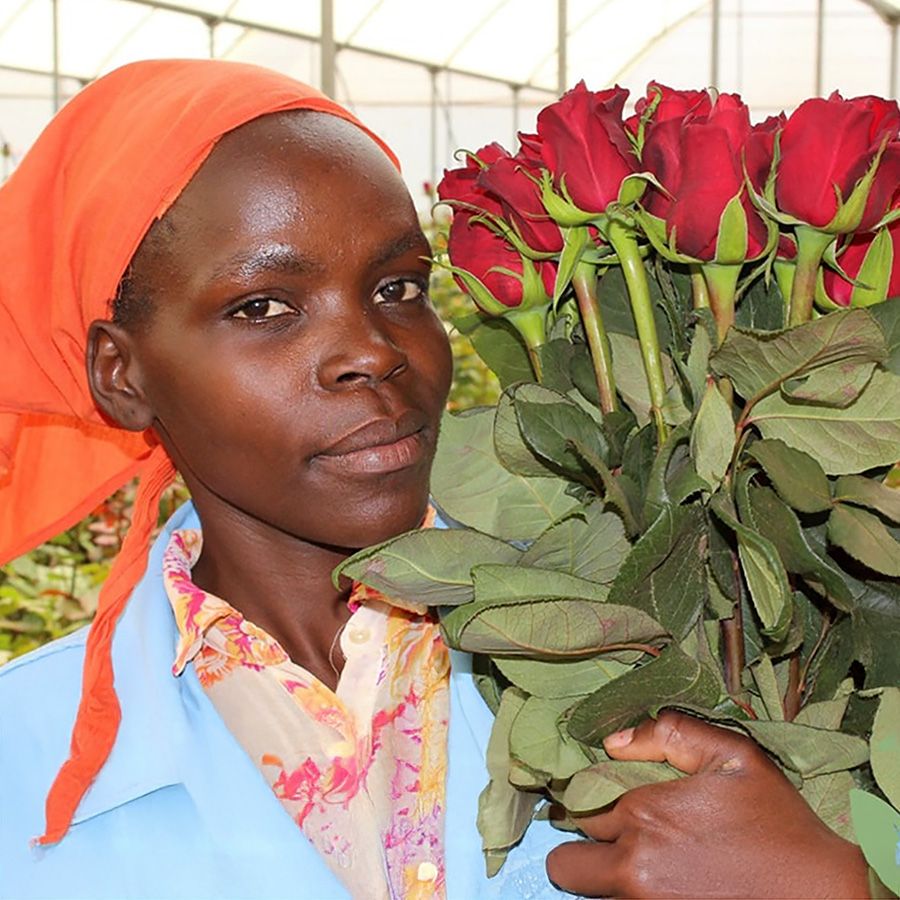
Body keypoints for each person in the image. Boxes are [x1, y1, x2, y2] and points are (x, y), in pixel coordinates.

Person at [0, 59, 873, 900]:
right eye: (263, 306)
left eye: (397, 286)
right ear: (122, 375)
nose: (374, 353)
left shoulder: (680, 633)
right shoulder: (21, 752)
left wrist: (838, 886)